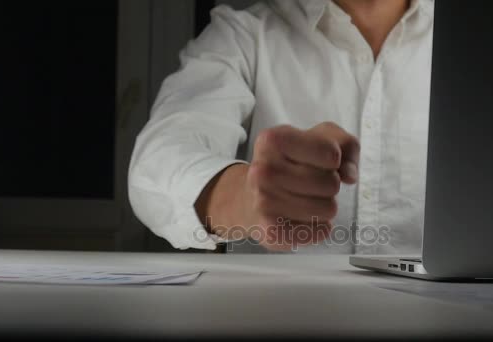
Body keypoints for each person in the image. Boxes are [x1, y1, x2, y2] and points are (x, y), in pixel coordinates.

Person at [128, 0, 433, 254]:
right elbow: (158, 160)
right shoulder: (243, 34)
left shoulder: (475, 42)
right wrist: (244, 197)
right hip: (275, 318)